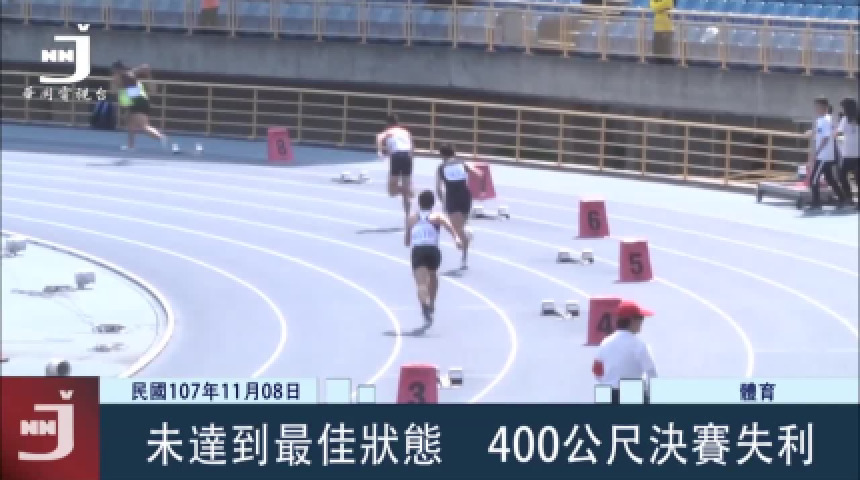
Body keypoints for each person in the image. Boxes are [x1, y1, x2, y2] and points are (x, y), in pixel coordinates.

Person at [404, 190, 462, 332]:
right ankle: (432, 303)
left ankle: (424, 306)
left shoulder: (411, 218)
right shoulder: (437, 216)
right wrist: (456, 239)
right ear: (433, 204)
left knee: (421, 284)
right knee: (433, 275)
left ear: (419, 203)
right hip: (433, 250)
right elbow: (450, 228)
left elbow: (407, 241)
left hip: (418, 250)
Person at [592, 300, 657, 404]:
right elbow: (651, 372)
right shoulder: (639, 345)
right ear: (632, 320)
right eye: (640, 318)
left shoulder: (605, 342)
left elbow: (596, 370)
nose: (642, 322)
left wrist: (608, 382)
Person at [435, 144, 482, 270]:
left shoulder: (441, 168)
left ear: (441, 155)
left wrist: (442, 201)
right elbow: (478, 174)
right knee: (461, 226)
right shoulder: (462, 163)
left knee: (457, 229)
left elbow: (438, 188)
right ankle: (464, 257)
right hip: (466, 196)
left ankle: (466, 240)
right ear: (454, 152)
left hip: (452, 198)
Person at [111, 61, 168, 152]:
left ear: (118, 70)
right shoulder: (126, 76)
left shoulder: (127, 75)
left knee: (144, 126)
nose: (113, 73)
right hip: (136, 101)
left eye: (114, 71)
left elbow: (144, 67)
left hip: (138, 101)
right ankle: (131, 146)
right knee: (131, 123)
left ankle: (161, 137)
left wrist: (145, 72)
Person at [807, 98, 846, 210]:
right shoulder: (823, 119)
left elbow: (825, 137)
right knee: (829, 178)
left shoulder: (825, 120)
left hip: (823, 156)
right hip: (826, 155)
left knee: (814, 179)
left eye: (818, 107)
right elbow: (822, 132)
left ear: (824, 107)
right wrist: (813, 132)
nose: (816, 109)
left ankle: (816, 202)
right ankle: (842, 198)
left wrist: (817, 152)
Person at [377, 114, 414, 216]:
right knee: (406, 187)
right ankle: (408, 215)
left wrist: (380, 151)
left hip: (397, 156)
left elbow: (379, 137)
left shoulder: (389, 131)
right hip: (407, 156)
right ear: (398, 123)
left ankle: (406, 190)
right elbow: (412, 148)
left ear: (388, 124)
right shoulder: (405, 132)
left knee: (391, 191)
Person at [836, 98, 859, 210]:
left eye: (844, 107)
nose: (843, 110)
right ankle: (849, 198)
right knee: (841, 176)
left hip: (858, 155)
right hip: (847, 154)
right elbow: (839, 134)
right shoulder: (844, 120)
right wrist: (841, 147)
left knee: (858, 178)